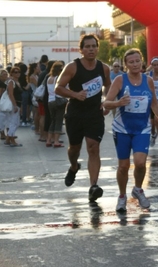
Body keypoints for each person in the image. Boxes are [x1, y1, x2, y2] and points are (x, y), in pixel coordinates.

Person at [103, 48, 158, 212]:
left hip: (142, 128)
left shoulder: (148, 81)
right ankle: (122, 196)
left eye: (137, 61)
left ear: (142, 62)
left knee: (140, 163)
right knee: (124, 166)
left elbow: (154, 103)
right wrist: (118, 103)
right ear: (126, 65)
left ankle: (138, 189)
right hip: (122, 128)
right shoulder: (120, 80)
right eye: (131, 62)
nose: (135, 64)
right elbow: (106, 103)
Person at [55, 34, 111, 202]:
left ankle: (93, 186)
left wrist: (106, 100)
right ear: (81, 49)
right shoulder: (73, 67)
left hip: (94, 113)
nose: (91, 49)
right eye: (87, 46)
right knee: (74, 149)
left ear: (97, 48)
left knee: (93, 148)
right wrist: (75, 94)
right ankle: (73, 166)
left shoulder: (104, 68)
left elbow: (109, 85)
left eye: (94, 46)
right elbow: (58, 88)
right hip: (75, 113)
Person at [46, 61, 67, 148]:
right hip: (59, 100)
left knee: (53, 120)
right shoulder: (58, 78)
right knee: (58, 121)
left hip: (50, 101)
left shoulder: (49, 78)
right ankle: (56, 141)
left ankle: (48, 140)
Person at [5, 67, 23, 147]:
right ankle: (12, 139)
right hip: (14, 104)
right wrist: (15, 105)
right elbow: (10, 94)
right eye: (15, 72)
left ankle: (8, 139)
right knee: (14, 122)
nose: (17, 73)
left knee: (16, 122)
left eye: (18, 72)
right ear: (11, 73)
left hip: (18, 104)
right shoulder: (11, 82)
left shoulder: (17, 82)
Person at [0, 69, 9, 140]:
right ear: (0, 75)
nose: (6, 76)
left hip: (2, 103)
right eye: (4, 74)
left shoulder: (3, 82)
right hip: (1, 103)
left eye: (6, 74)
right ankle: (2, 134)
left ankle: (7, 134)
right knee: (2, 119)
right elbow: (0, 94)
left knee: (5, 119)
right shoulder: (0, 83)